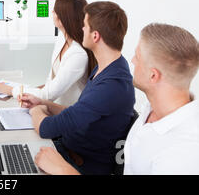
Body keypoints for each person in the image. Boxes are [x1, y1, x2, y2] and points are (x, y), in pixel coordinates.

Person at [34, 23, 199, 175]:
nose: (132, 61)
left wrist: (63, 170)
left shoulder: (181, 154)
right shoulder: (153, 109)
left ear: (153, 75)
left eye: (138, 57)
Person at [21, 1, 135, 175]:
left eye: (85, 26)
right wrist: (44, 102)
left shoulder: (111, 86)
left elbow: (46, 128)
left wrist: (36, 109)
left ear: (95, 36)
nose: (81, 29)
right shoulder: (107, 67)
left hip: (78, 165)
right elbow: (75, 113)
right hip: (67, 151)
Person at [0, 0, 96, 106]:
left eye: (55, 11)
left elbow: (48, 95)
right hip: (51, 106)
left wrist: (6, 89)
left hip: (65, 113)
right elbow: (50, 83)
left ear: (62, 19)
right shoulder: (62, 39)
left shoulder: (78, 55)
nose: (52, 13)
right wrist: (28, 93)